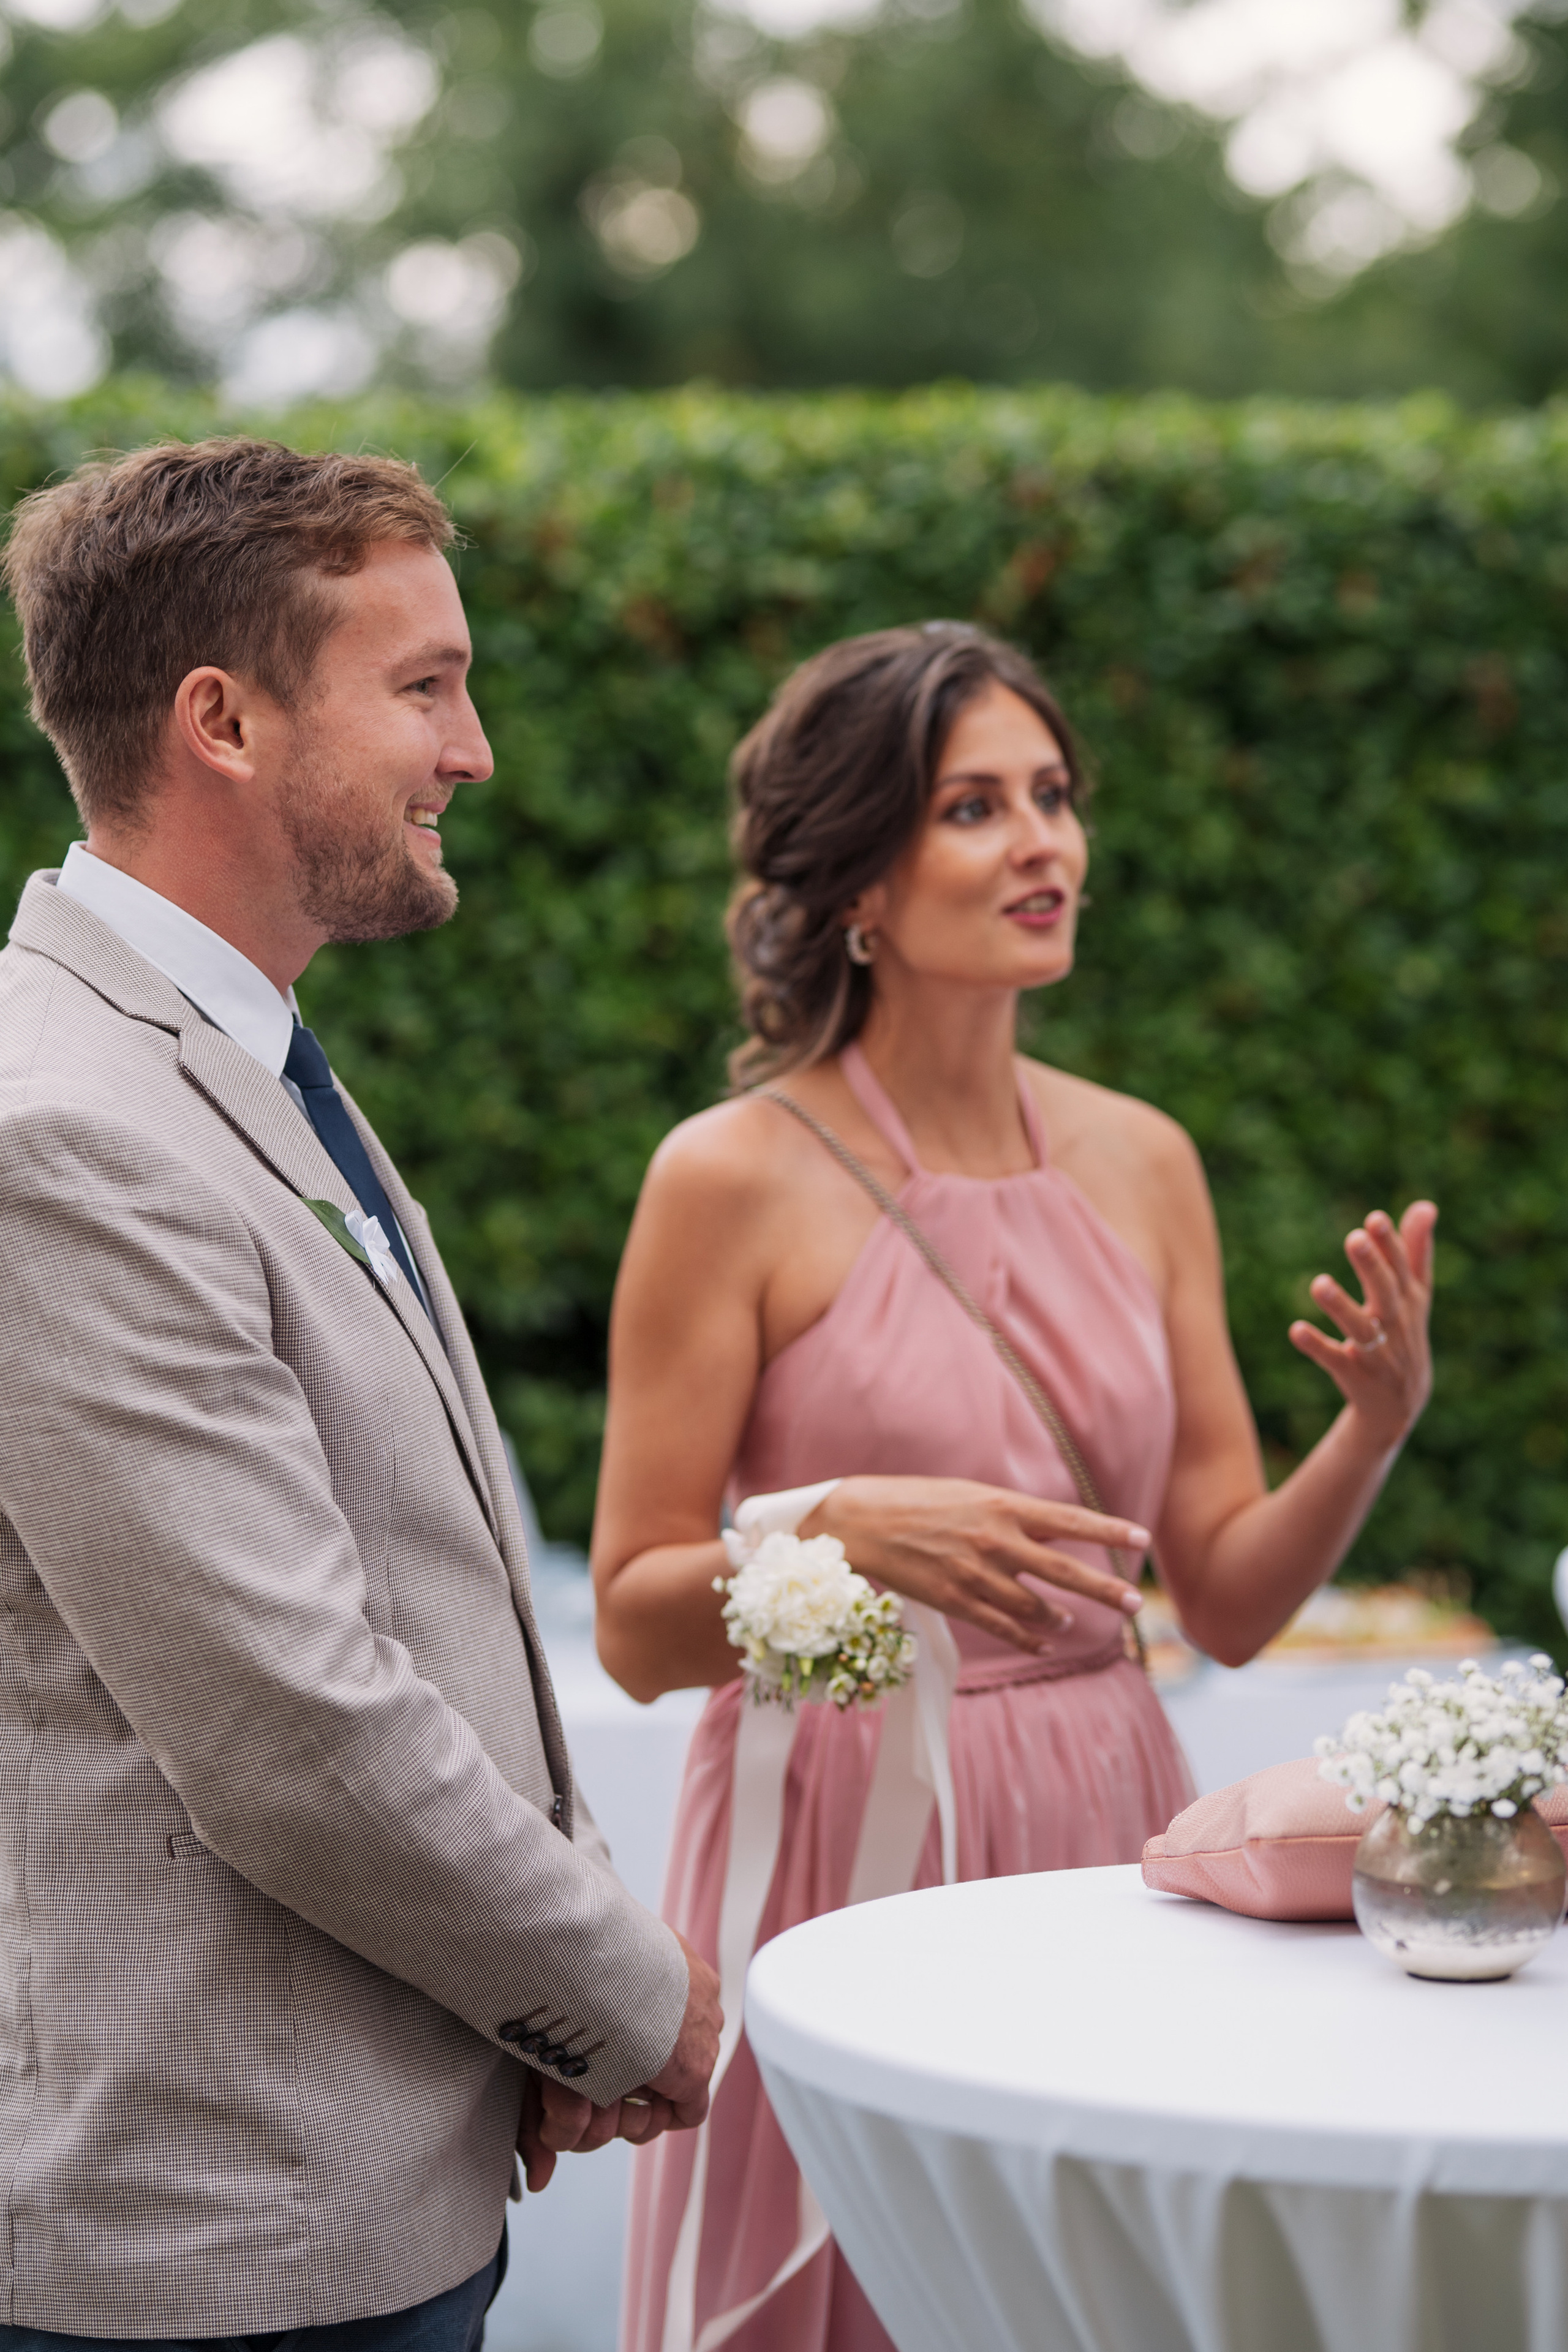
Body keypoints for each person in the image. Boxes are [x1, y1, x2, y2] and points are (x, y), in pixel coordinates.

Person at [593, 623, 1436, 2352]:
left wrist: (1372, 1428)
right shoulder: (726, 1178)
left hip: (1106, 1820)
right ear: (859, 884)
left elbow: (1223, 1599)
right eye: (975, 807)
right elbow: (630, 1621)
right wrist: (829, 1530)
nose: (1043, 842)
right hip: (838, 1832)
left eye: (1053, 797)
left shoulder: (1145, 1159)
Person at [0, 437, 720, 2347]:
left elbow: (436, 1579)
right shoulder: (63, 1131)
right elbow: (291, 1721)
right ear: (220, 722)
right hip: (215, 2241)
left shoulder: (235, 1058)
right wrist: (628, 1994)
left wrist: (530, 2009)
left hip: (377, 2178)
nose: (472, 749)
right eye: (424, 686)